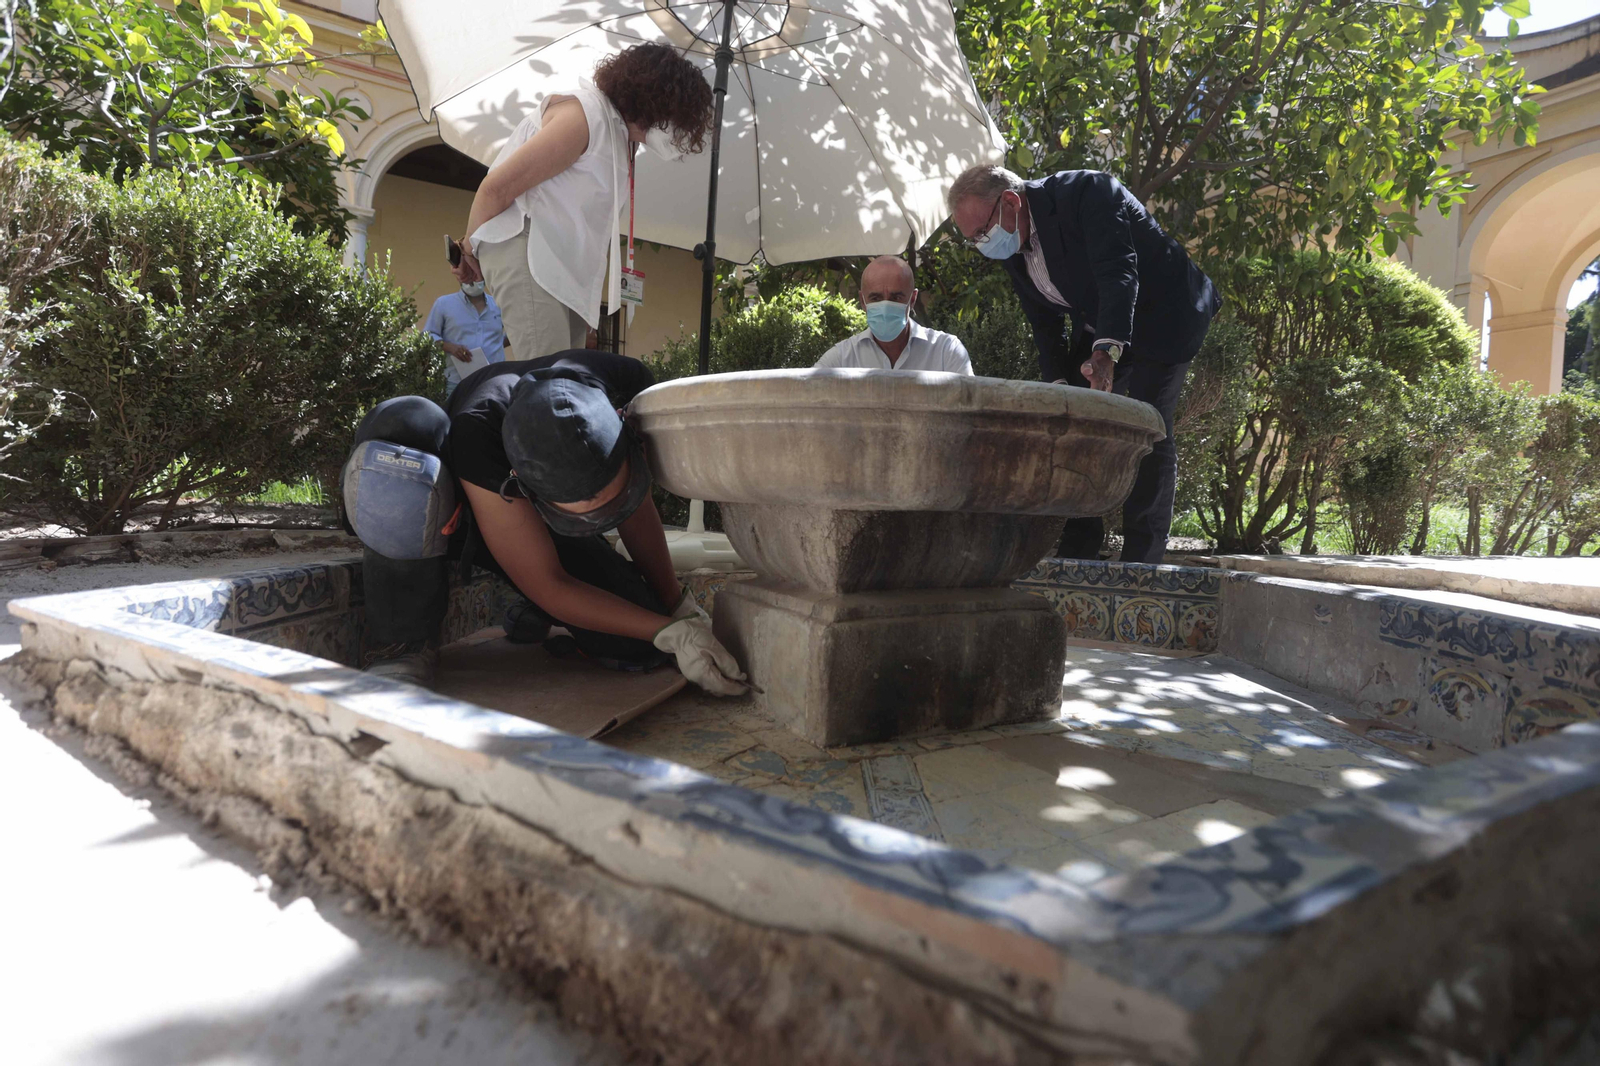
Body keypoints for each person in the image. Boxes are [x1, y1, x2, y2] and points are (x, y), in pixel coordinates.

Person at [352, 350, 747, 698]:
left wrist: (674, 607)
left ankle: (534, 610)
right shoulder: (477, 435)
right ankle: (397, 645)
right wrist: (670, 632)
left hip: (528, 502)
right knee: (404, 436)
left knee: (637, 645)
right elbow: (549, 581)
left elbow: (637, 508)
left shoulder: (627, 385)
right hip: (459, 507)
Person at [948, 165, 1220, 564]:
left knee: (1148, 426)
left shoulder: (1086, 191)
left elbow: (1118, 273)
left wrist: (1106, 352)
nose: (982, 244)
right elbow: (1043, 319)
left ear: (1010, 201)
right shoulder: (1011, 238)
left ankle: (1143, 560)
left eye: (981, 233)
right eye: (973, 240)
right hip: (1105, 318)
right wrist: (1058, 380)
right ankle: (1079, 548)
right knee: (1070, 421)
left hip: (1167, 312)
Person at [453, 43, 712, 362]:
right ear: (656, 101)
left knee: (563, 385)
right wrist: (466, 250)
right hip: (529, 250)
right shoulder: (584, 115)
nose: (678, 133)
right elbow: (496, 188)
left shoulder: (617, 139)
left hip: (559, 270)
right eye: (677, 119)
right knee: (547, 384)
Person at [813, 256, 974, 374]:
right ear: (863, 301)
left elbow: (967, 411)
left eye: (896, 297)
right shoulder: (841, 359)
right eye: (875, 298)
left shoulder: (946, 352)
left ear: (912, 299)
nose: (885, 306)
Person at [424, 266, 506, 399]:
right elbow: (427, 336)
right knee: (455, 419)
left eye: (474, 273)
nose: (471, 279)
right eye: (466, 275)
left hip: (493, 381)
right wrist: (450, 347)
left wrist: (497, 345)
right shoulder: (444, 304)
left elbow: (512, 334)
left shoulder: (498, 304)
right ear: (458, 277)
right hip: (456, 383)